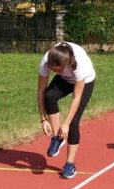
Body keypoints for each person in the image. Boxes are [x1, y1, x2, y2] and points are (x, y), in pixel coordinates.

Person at [37, 41, 96, 180]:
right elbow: (40, 91)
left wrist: (66, 123)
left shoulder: (79, 65)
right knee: (49, 96)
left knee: (74, 122)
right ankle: (57, 137)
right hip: (65, 80)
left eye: (58, 70)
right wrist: (43, 119)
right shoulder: (46, 61)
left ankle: (70, 164)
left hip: (85, 81)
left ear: (66, 63)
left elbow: (76, 98)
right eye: (53, 70)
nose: (55, 72)